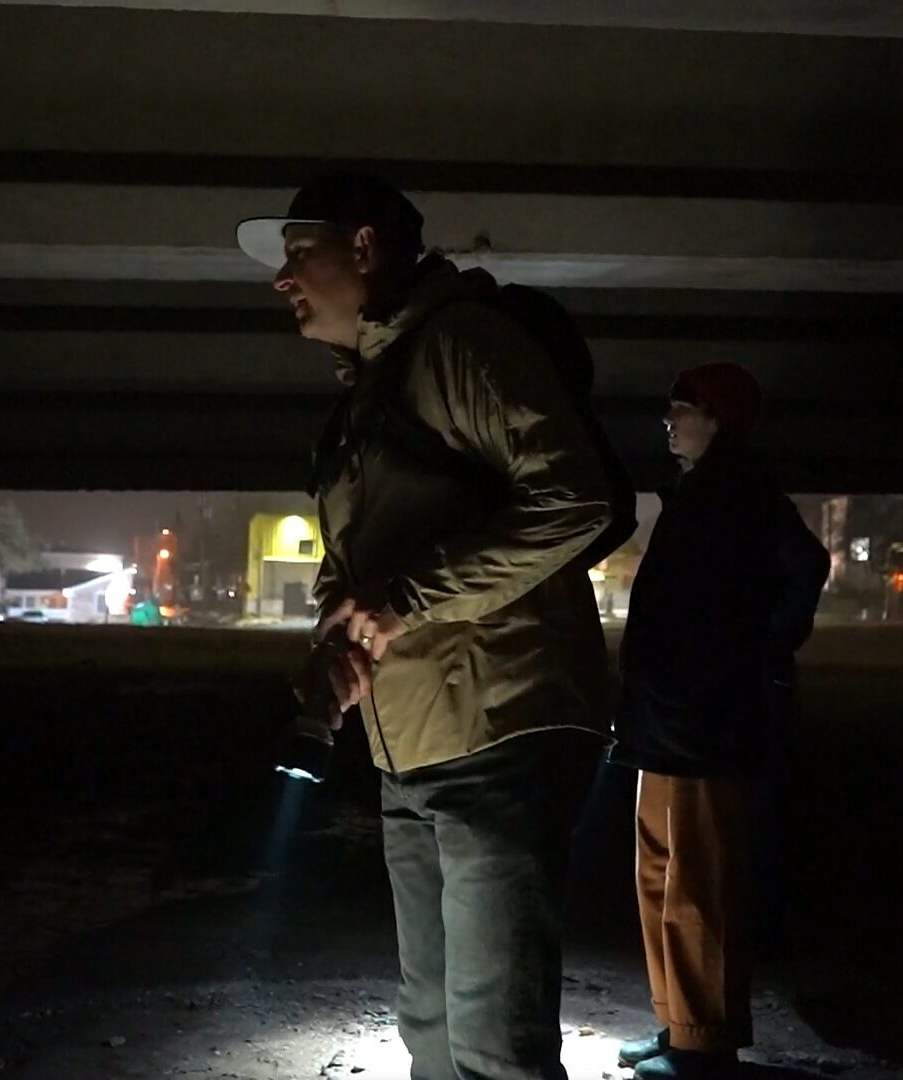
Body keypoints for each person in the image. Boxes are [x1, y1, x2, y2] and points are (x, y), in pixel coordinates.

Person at [237, 172, 616, 1080]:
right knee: (434, 1034)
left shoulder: (464, 347)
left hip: (501, 726)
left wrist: (405, 599)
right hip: (410, 743)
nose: (281, 280)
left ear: (364, 250)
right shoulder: (370, 390)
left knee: (491, 1044)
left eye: (299, 254)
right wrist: (335, 649)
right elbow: (368, 563)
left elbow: (578, 501)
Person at [609, 363, 829, 1078]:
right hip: (671, 717)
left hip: (704, 718)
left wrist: (753, 656)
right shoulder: (704, 491)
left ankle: (704, 1043)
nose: (669, 423)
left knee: (697, 884)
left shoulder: (743, 492)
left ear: (720, 420)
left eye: (682, 411)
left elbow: (805, 567)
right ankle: (681, 1027)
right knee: (662, 872)